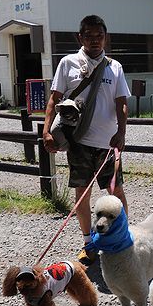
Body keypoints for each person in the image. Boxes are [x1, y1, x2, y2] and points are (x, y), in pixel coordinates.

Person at [42, 15, 131, 266]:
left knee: (116, 193)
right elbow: (54, 99)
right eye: (89, 36)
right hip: (78, 142)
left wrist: (122, 133)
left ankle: (121, 239)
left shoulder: (115, 67)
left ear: (106, 38)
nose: (95, 41)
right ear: (79, 37)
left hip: (108, 143)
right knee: (82, 194)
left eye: (99, 36)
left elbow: (122, 103)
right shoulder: (68, 63)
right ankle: (88, 243)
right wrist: (46, 131)